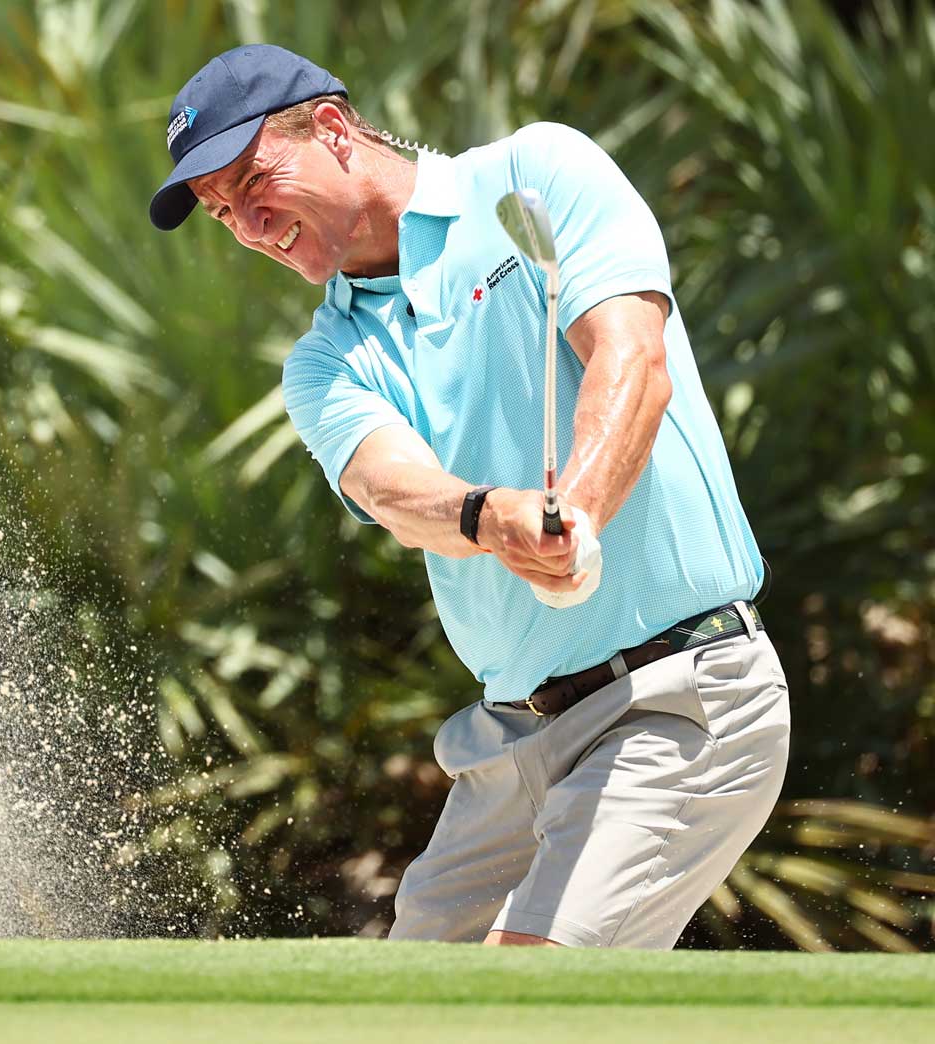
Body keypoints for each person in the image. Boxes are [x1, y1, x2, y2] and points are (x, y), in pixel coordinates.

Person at [149, 44, 790, 948]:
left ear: (332, 129)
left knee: (520, 996)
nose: (248, 225)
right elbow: (388, 486)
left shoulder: (535, 175)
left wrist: (576, 517)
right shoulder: (324, 363)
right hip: (508, 744)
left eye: (253, 180)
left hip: (675, 699)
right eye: (222, 212)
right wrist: (490, 518)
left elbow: (633, 362)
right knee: (411, 1006)